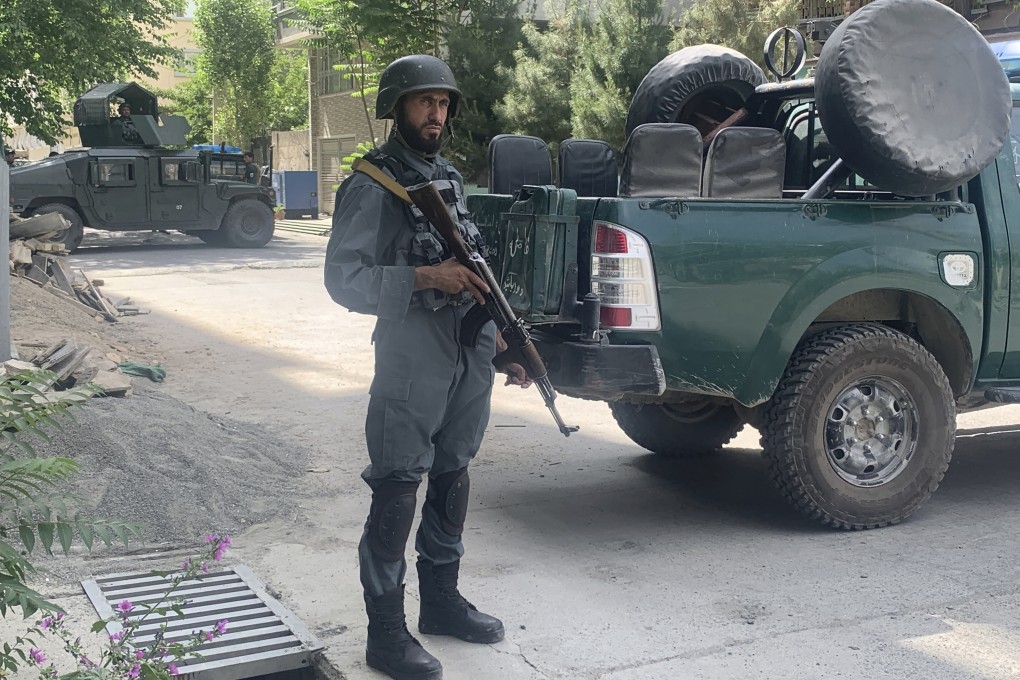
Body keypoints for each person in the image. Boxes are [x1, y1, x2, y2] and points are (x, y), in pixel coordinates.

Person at [324, 55, 531, 680]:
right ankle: (386, 634)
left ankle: (440, 601)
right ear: (398, 108)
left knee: (454, 472)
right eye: (424, 102)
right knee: (398, 484)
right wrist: (423, 277)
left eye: (443, 103)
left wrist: (501, 339)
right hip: (411, 350)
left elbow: (473, 270)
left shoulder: (448, 177)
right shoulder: (372, 183)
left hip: (466, 350)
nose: (436, 113)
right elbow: (342, 279)